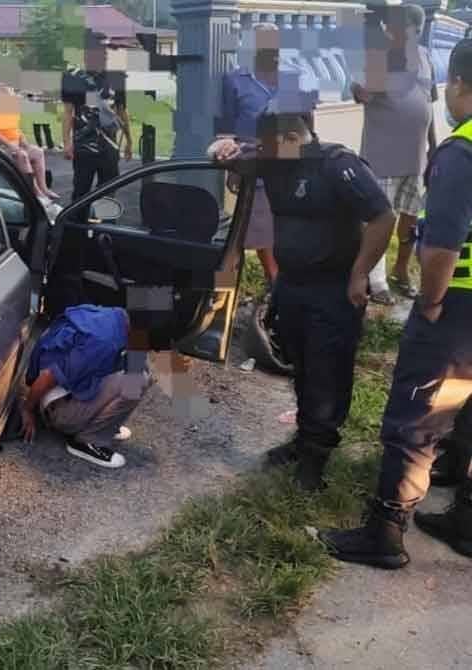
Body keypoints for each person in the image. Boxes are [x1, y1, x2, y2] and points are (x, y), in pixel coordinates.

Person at [319, 39, 472, 568]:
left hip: (456, 312)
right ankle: (466, 518)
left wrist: (430, 304)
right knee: (468, 409)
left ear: (457, 83)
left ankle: (385, 531)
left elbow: (442, 247)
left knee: (417, 416)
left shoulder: (462, 150)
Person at [209, 111, 396, 491]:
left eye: (270, 146)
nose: (263, 154)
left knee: (328, 373)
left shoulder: (338, 165)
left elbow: (383, 216)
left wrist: (361, 274)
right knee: (301, 366)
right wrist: (223, 149)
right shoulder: (275, 157)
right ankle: (303, 439)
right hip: (291, 285)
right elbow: (220, 153)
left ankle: (315, 462)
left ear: (294, 136)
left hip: (334, 290)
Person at [352, 4, 438, 305]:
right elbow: (363, 94)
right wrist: (357, 89)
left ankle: (401, 270)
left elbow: (428, 106)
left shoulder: (426, 58)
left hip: (415, 158)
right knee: (380, 219)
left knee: (411, 218)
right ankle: (375, 281)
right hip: (382, 157)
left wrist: (433, 147)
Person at [21, 305, 153, 468]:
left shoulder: (112, 316)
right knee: (138, 380)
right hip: (57, 406)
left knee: (139, 364)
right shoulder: (104, 341)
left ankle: (104, 425)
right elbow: (49, 376)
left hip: (61, 389)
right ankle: (88, 441)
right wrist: (27, 409)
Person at [217, 23, 283, 286]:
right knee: (251, 234)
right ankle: (268, 283)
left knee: (279, 232)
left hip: (285, 168)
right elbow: (226, 130)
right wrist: (233, 168)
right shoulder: (234, 81)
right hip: (251, 170)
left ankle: (274, 284)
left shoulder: (290, 79)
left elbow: (306, 126)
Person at [61, 33, 133, 200]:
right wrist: (67, 142)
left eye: (106, 50)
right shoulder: (72, 77)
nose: (106, 54)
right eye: (100, 50)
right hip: (83, 147)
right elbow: (67, 112)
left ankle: (106, 225)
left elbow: (122, 110)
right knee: (81, 192)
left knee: (108, 193)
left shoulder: (116, 77)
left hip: (109, 147)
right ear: (87, 54)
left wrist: (129, 140)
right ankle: (78, 225)